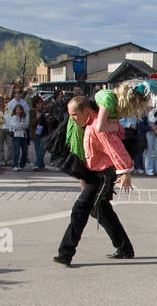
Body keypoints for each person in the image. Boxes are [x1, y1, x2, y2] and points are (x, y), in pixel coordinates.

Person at [53, 85, 144, 265]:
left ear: (86, 111)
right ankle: (125, 248)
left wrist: (125, 170)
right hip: (95, 173)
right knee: (101, 210)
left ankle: (65, 254)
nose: (72, 119)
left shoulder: (97, 126)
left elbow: (115, 147)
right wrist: (82, 177)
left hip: (103, 175)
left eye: (74, 115)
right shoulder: (89, 124)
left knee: (81, 209)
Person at [6, 88, 30, 170]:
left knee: (25, 151)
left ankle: (22, 164)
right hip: (16, 134)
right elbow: (14, 124)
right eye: (16, 93)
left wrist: (22, 124)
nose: (18, 95)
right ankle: (15, 165)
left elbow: (26, 123)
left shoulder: (24, 103)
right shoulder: (10, 104)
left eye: (19, 93)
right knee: (16, 151)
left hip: (23, 134)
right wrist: (21, 125)